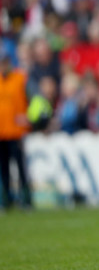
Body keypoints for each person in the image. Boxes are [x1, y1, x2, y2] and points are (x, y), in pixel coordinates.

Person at [0, 48, 32, 210]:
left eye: (4, 62)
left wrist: (28, 117)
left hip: (17, 131)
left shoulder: (20, 78)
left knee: (20, 167)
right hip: (1, 132)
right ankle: (6, 199)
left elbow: (32, 99)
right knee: (3, 169)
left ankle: (26, 199)